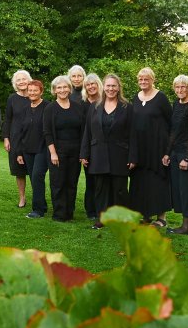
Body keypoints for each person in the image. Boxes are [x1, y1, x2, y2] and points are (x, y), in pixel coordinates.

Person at [80, 74, 133, 229]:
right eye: (108, 86)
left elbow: (133, 134)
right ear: (104, 87)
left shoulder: (127, 107)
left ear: (118, 88)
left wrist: (133, 157)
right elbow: (87, 132)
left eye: (113, 86)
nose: (110, 89)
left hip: (120, 154)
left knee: (120, 190)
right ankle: (101, 218)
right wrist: (84, 154)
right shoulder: (95, 106)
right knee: (100, 189)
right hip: (98, 154)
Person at [128, 67, 173, 226]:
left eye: (146, 79)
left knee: (157, 181)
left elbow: (171, 123)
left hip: (157, 147)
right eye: (140, 79)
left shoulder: (161, 98)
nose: (143, 82)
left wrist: (168, 150)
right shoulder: (135, 98)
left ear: (152, 80)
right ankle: (145, 215)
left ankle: (161, 218)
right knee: (140, 181)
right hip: (139, 148)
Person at [44, 75, 85, 222]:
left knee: (71, 183)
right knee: (58, 183)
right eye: (59, 87)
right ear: (54, 90)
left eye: (65, 87)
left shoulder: (78, 107)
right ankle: (59, 214)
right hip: (57, 151)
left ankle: (69, 213)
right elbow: (47, 132)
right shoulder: (50, 108)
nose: (62, 90)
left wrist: (82, 152)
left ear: (69, 88)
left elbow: (83, 130)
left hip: (75, 151)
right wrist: (53, 153)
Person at [164, 75, 188, 235]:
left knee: (187, 189)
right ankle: (184, 225)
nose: (180, 90)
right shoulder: (176, 104)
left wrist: (187, 158)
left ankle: (186, 226)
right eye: (177, 87)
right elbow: (174, 131)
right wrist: (167, 153)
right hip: (176, 151)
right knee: (178, 188)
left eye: (183, 87)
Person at [12, 79, 50, 219]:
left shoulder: (48, 107)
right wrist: (19, 152)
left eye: (35, 90)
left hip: (43, 148)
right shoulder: (25, 109)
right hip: (27, 149)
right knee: (34, 179)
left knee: (37, 176)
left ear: (41, 92)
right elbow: (20, 132)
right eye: (30, 90)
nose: (32, 93)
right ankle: (42, 205)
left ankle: (38, 210)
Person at [2, 69, 32, 208]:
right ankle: (22, 197)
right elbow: (8, 119)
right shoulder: (12, 99)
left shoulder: (35, 96)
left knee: (35, 171)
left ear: (29, 80)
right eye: (18, 80)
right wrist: (6, 138)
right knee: (19, 171)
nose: (21, 82)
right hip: (16, 139)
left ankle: (38, 197)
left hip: (32, 138)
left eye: (24, 79)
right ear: (15, 83)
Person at [80, 73, 103, 219]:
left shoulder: (104, 102)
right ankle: (91, 210)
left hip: (100, 146)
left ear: (98, 85)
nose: (90, 87)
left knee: (101, 180)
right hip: (86, 145)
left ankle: (102, 208)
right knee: (90, 180)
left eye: (93, 84)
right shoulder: (82, 104)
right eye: (87, 85)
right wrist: (83, 152)